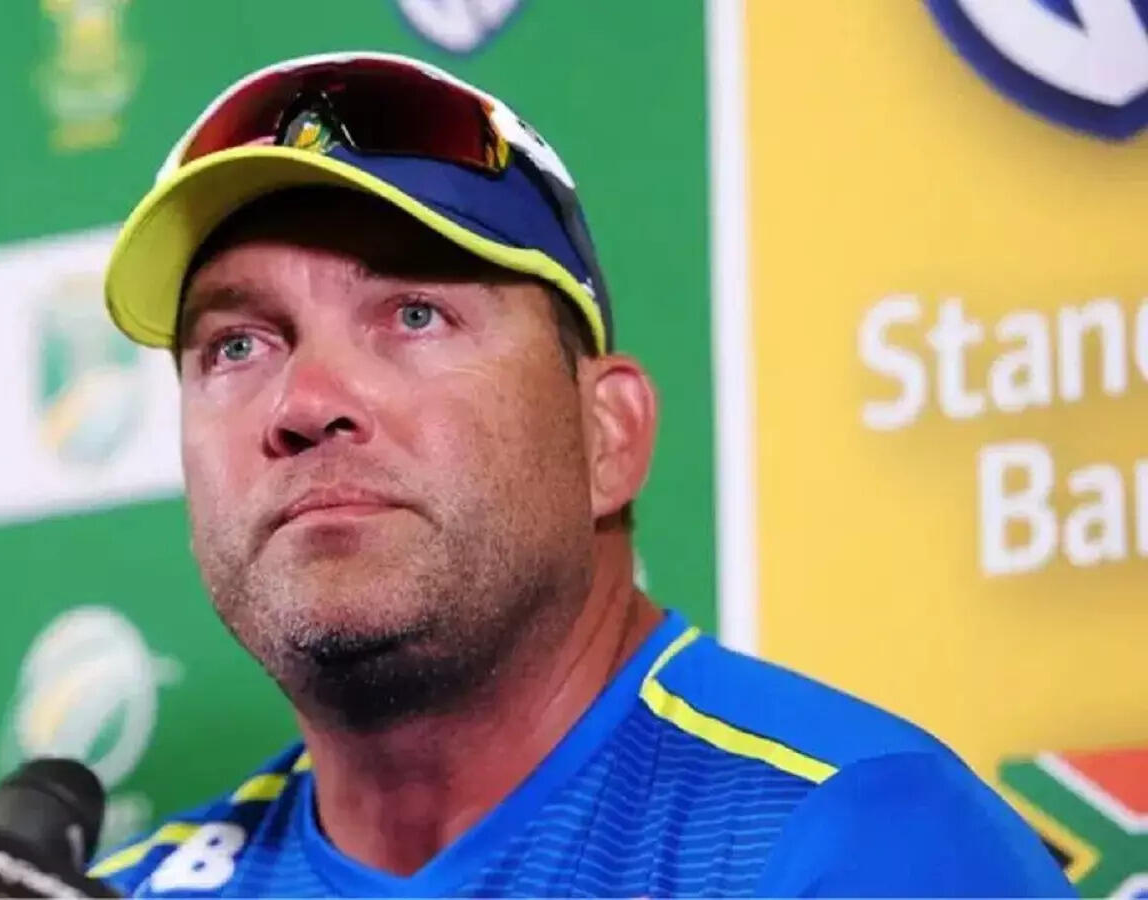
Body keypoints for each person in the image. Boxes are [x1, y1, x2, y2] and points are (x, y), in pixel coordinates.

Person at [87, 52, 1072, 897]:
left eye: (416, 315)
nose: (304, 403)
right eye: (236, 346)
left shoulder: (852, 839)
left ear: (607, 434)